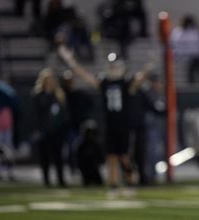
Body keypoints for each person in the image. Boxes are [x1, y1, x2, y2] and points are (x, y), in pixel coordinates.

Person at [58, 45, 152, 191]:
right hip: (110, 124)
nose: (113, 68)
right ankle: (113, 184)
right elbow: (86, 77)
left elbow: (139, 80)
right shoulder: (104, 83)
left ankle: (131, 181)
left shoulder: (125, 83)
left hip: (123, 124)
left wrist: (149, 66)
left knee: (124, 156)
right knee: (111, 156)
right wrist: (71, 62)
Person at [32, 68, 69, 187]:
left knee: (59, 156)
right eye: (48, 80)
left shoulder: (59, 95)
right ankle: (46, 180)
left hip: (58, 131)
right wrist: (36, 129)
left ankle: (61, 180)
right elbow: (35, 115)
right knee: (45, 157)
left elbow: (64, 114)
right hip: (44, 131)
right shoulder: (38, 96)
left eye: (52, 80)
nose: (50, 82)